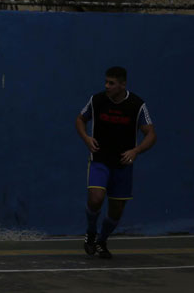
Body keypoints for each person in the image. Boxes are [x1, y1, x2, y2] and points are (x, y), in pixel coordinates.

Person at [76, 66, 156, 259]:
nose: (107, 86)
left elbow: (151, 134)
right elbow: (80, 119)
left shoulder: (137, 105)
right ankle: (91, 232)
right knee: (96, 198)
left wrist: (136, 150)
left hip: (123, 164)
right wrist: (86, 138)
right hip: (99, 159)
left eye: (111, 83)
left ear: (122, 84)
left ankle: (102, 241)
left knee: (117, 209)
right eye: (106, 82)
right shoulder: (97, 100)